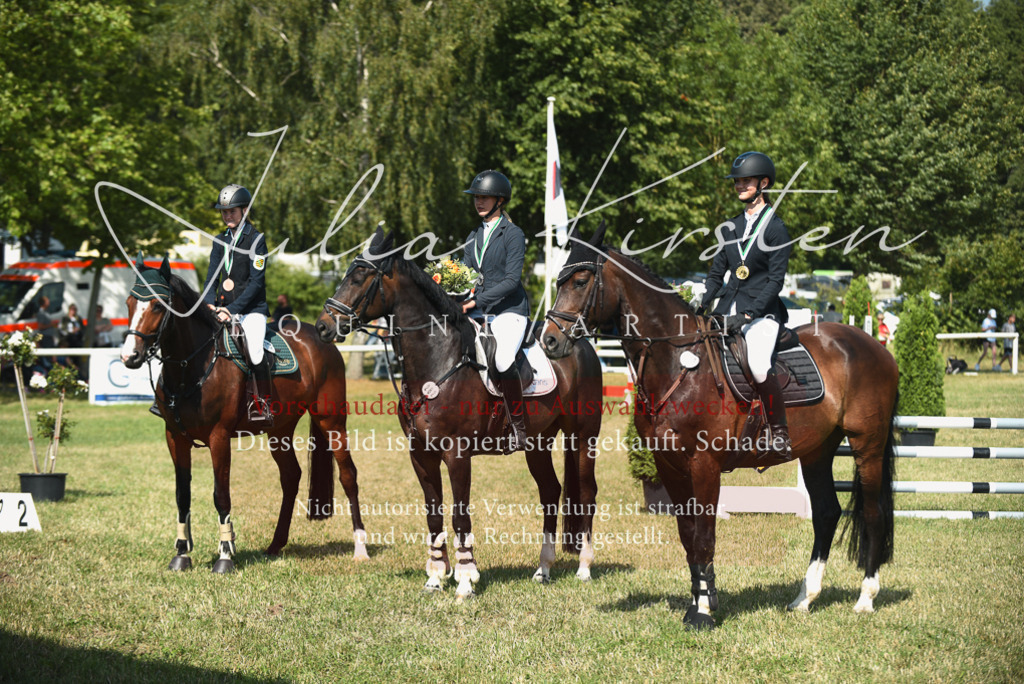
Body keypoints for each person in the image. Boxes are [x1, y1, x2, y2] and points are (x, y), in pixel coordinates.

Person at [698, 151, 793, 464]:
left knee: (758, 363)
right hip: (726, 309)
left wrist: (750, 314)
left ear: (763, 183)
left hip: (761, 314)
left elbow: (775, 282)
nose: (739, 185)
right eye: (737, 181)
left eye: (746, 181)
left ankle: (778, 430)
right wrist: (701, 299)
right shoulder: (729, 228)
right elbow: (716, 275)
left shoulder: (776, 229)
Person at [460, 170, 530, 451]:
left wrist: (477, 301)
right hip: (477, 309)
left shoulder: (513, 234)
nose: (479, 202)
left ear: (500, 200)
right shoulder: (473, 235)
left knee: (501, 359)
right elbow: (465, 274)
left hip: (509, 310)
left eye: (484, 197)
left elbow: (512, 280)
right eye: (476, 197)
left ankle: (518, 427)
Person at [199, 183, 273, 425]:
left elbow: (256, 283)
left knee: (254, 350)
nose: (227, 215)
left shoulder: (257, 240)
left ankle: (263, 403)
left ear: (244, 210)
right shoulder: (219, 240)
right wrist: (209, 304)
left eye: (232, 211)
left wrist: (232, 310)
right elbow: (211, 277)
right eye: (224, 211)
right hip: (220, 310)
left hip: (251, 311)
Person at [34, 295, 61, 374]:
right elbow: (41, 326)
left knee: (52, 356)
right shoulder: (41, 313)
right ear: (43, 303)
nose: (49, 302)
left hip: (49, 337)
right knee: (49, 358)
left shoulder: (46, 312)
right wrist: (51, 324)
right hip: (45, 338)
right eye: (47, 301)